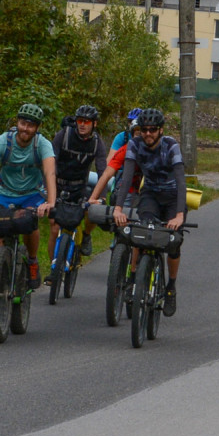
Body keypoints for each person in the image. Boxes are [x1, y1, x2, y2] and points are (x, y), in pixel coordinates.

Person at [0, 103, 58, 290]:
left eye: (31, 125)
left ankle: (32, 261)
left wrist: (50, 202)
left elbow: (50, 173)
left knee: (30, 225)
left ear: (37, 127)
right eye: (23, 123)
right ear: (17, 122)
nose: (25, 128)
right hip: (7, 195)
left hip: (32, 195)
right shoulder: (2, 142)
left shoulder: (42, 144)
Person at [110, 107, 187, 315]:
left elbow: (181, 182)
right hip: (150, 195)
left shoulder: (171, 146)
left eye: (153, 129)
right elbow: (127, 177)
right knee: (142, 232)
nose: (148, 134)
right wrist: (118, 208)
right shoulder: (134, 144)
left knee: (173, 242)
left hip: (172, 198)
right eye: (144, 130)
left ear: (161, 130)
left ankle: (170, 287)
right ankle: (136, 278)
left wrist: (179, 215)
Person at [48, 105, 104, 281]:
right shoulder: (63, 135)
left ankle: (85, 236)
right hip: (58, 185)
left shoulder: (97, 143)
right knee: (54, 228)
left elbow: (102, 171)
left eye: (86, 121)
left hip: (80, 186)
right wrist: (48, 190)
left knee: (93, 212)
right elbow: (50, 162)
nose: (82, 124)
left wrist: (101, 196)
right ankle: (54, 270)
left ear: (94, 124)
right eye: (80, 120)